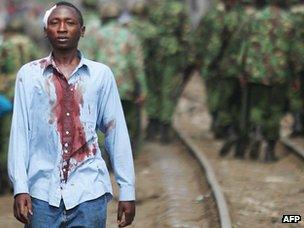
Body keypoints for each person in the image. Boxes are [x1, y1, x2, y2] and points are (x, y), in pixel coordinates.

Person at [7, 2, 135, 227]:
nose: (62, 28)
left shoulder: (100, 76)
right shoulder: (29, 76)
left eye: (70, 22)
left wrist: (127, 189)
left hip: (89, 192)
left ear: (82, 31)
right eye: (54, 23)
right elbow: (19, 134)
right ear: (45, 31)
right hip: (41, 195)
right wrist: (20, 187)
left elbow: (117, 133)